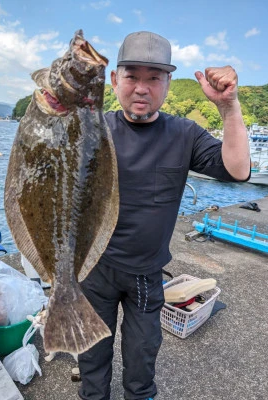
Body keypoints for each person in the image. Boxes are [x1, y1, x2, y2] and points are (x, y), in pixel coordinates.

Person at [78, 31, 250, 400]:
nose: (142, 88)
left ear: (168, 83)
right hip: (93, 268)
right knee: (91, 355)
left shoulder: (184, 134)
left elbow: (238, 170)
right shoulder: (92, 129)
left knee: (142, 359)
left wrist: (229, 107)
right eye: (132, 76)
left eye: (154, 77)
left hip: (146, 271)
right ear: (114, 80)